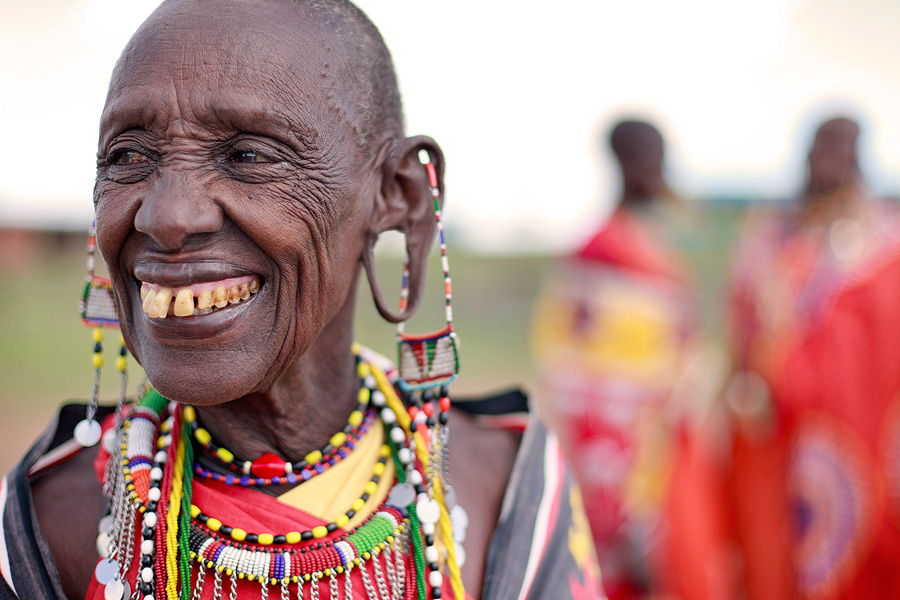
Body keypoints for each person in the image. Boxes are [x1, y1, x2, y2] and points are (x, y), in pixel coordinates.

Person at [0, 1, 604, 599]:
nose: (167, 215)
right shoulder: (53, 523)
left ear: (396, 196)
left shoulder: (499, 488)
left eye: (248, 156)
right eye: (129, 156)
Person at [721, 115, 900, 599]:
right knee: (776, 547)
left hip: (857, 431)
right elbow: (744, 323)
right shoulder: (771, 236)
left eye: (843, 151)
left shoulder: (884, 238)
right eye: (822, 149)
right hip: (776, 425)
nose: (830, 163)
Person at [532, 119, 702, 599]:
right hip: (626, 478)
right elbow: (577, 381)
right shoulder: (601, 252)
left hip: (669, 458)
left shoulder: (654, 247)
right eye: (654, 158)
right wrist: (624, 510)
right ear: (628, 163)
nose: (662, 171)